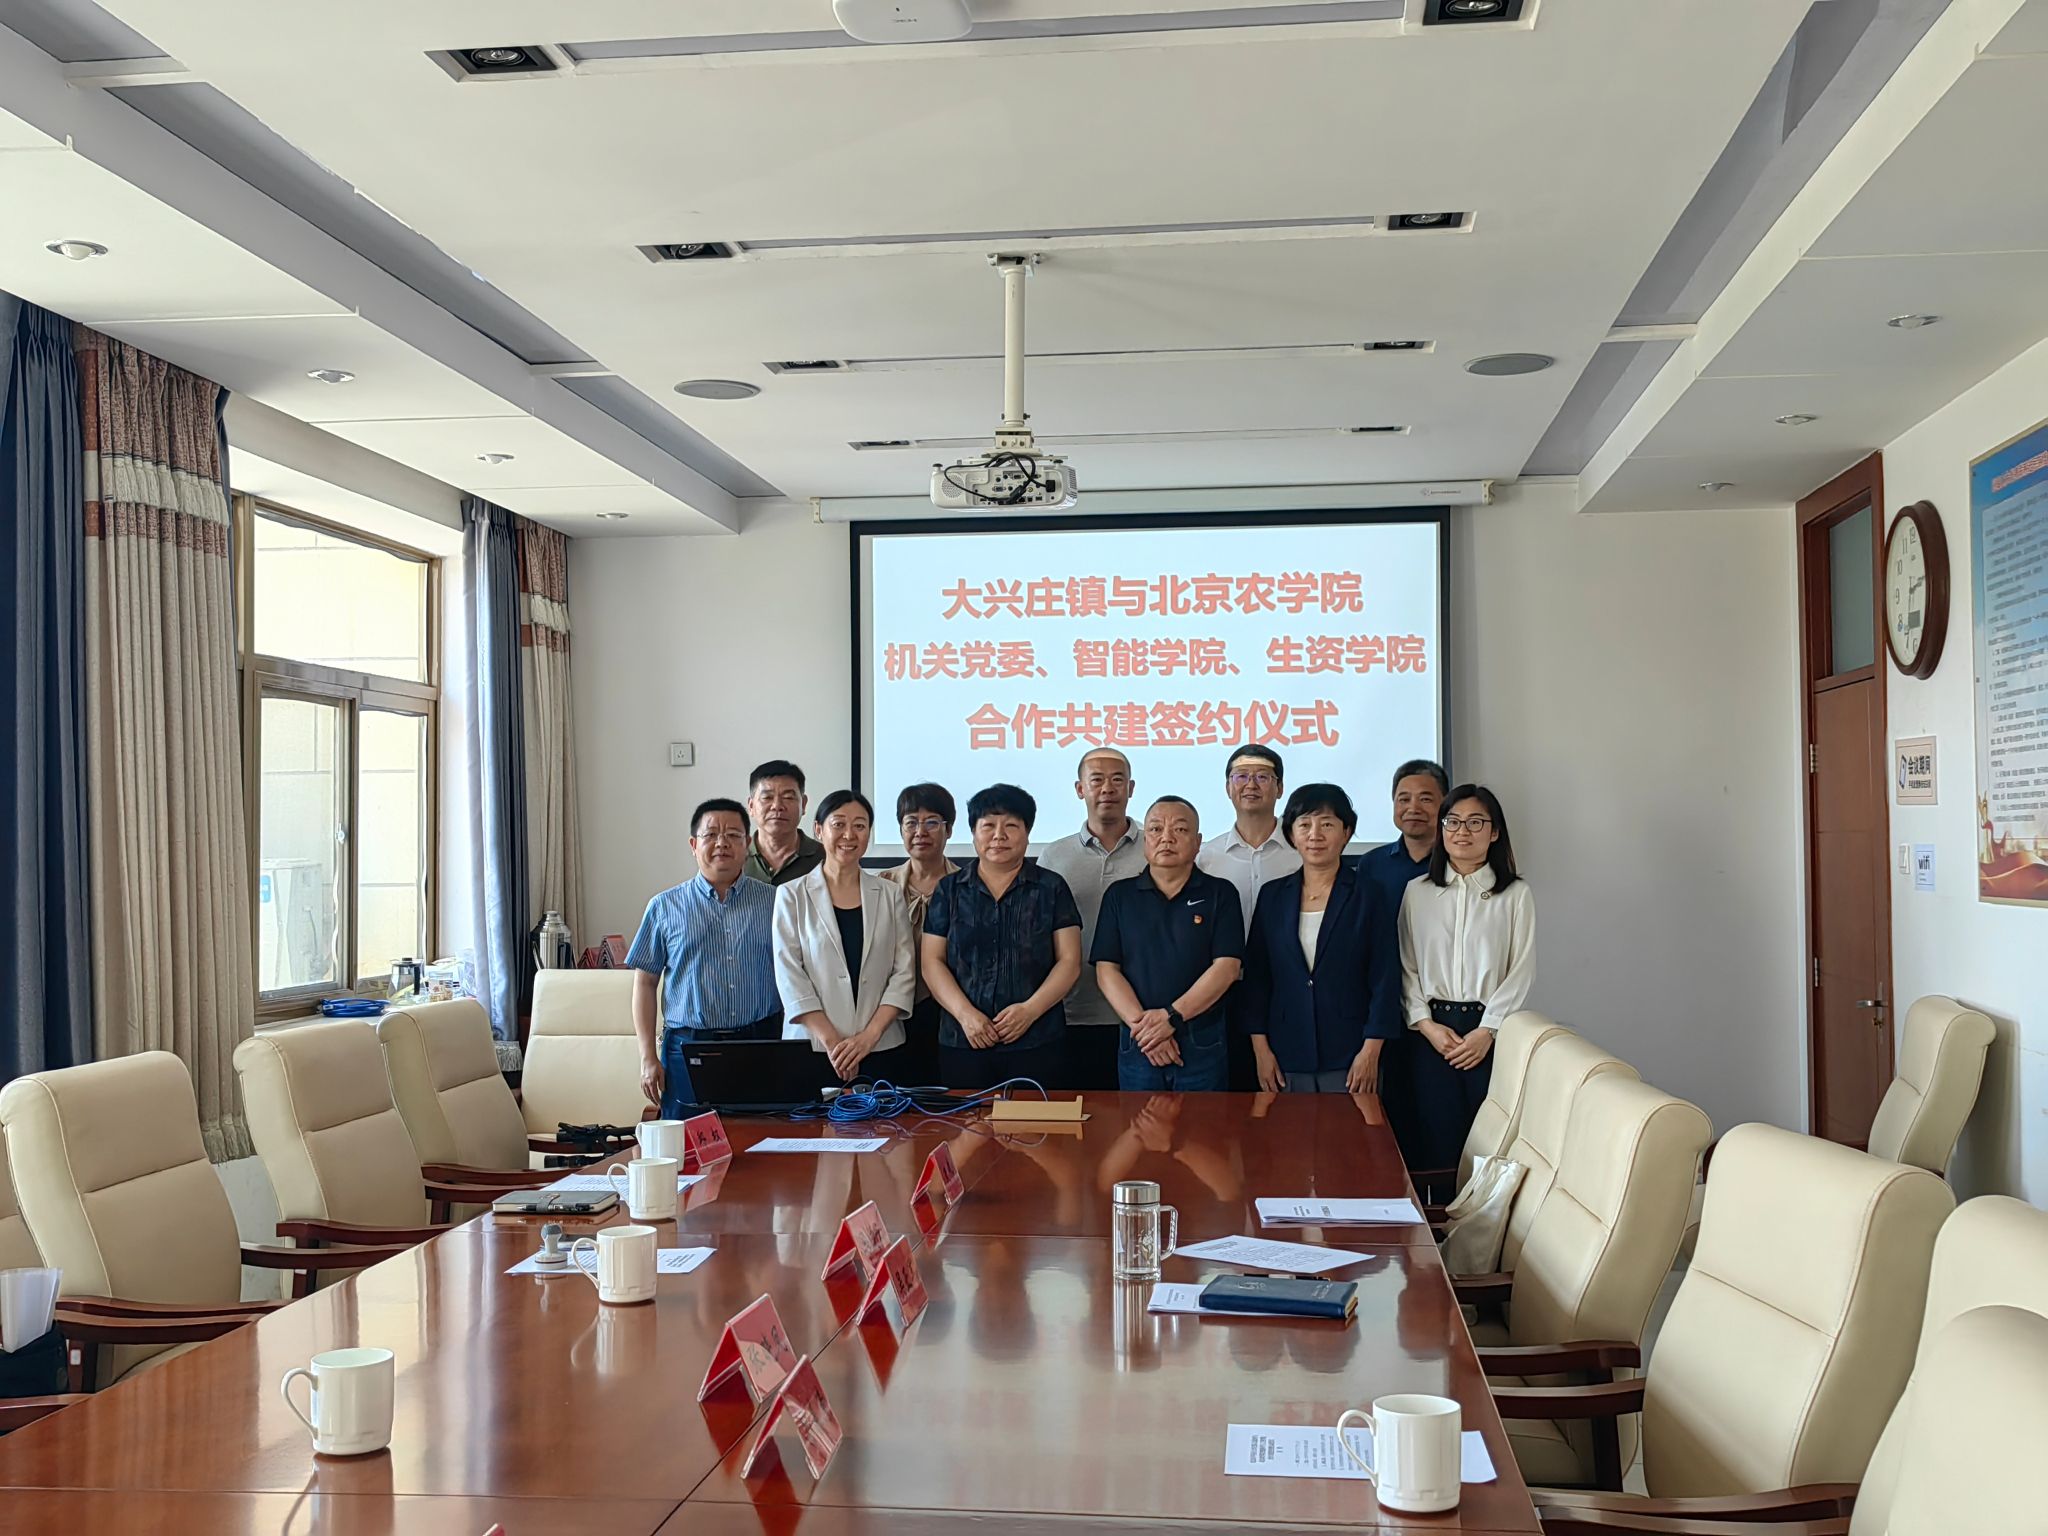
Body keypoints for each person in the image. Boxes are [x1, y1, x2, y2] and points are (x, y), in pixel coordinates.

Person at [1399, 783, 1537, 1170]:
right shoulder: (1417, 892)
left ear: (1494, 833)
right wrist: (1425, 1024)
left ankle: (1481, 1212)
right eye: (1453, 822)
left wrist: (1487, 1030)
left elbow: (1521, 969)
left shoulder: (1515, 894)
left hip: (1489, 1034)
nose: (1462, 831)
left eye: (1476, 822)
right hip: (1431, 1033)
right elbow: (1407, 965)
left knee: (1488, 1142)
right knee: (1433, 1140)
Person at [1239, 783, 1401, 1093]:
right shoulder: (1273, 896)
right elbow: (1258, 979)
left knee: (1351, 1126)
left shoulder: (1370, 894)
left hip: (1351, 1052)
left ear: (1346, 832)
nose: (1315, 835)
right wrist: (1260, 1050)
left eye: (1327, 824)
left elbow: (1385, 977)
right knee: (1287, 1126)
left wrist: (1371, 1052)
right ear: (1291, 834)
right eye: (1304, 825)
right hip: (1285, 1051)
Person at [627, 798, 782, 1118]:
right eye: (711, 835)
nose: (722, 843)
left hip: (760, 1043)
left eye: (733, 835)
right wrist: (647, 1057)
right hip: (688, 1048)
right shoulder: (664, 907)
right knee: (688, 1140)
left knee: (763, 1137)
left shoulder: (776, 903)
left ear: (747, 844)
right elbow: (645, 984)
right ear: (693, 845)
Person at [921, 783, 1082, 1090]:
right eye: (988, 826)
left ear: (1027, 832)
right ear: (973, 832)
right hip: (963, 1039)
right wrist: (965, 1015)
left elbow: (1069, 960)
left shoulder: (1051, 888)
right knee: (967, 1120)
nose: (999, 835)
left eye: (1011, 826)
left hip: (1037, 1039)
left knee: (1036, 1120)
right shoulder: (949, 890)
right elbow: (932, 961)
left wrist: (1030, 1010)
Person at [1092, 796, 1244, 1090]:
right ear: (1144, 840)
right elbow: (1106, 970)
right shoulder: (1119, 896)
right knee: (1139, 1119)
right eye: (1156, 829)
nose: (1166, 838)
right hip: (1138, 1039)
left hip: (1201, 1038)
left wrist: (1170, 1018)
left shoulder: (1220, 893)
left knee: (1204, 1120)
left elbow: (1227, 968)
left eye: (1180, 829)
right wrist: (1147, 1031)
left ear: (1197, 842)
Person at [772, 790, 917, 1084]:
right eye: (838, 824)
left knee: (883, 1115)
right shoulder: (791, 895)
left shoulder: (889, 894)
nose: (849, 835)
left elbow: (904, 972)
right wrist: (834, 1043)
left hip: (881, 1046)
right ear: (818, 830)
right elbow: (790, 975)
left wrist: (868, 1038)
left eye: (859, 826)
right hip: (813, 1046)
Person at [1033, 747, 1145, 1089]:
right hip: (1071, 1011)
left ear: (1131, 788)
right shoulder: (1055, 856)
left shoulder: (1156, 848)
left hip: (1141, 1015)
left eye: (1117, 780)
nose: (1107, 788)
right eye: (1096, 780)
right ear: (1080, 789)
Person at [1197, 745, 1302, 1089]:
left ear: (1280, 788)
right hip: (1220, 992)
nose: (1251, 785)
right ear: (1228, 787)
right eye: (1241, 776)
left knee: (1285, 1096)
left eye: (1262, 777)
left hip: (1288, 990)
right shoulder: (1205, 857)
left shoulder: (1303, 853)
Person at [1357, 758, 1447, 1161]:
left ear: (1444, 804)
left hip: (1439, 1009)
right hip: (1383, 1006)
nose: (1413, 808)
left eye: (1426, 798)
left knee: (1438, 1117)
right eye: (1403, 798)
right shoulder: (1372, 865)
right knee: (1388, 1114)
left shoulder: (1457, 862)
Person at [878, 781, 961, 1085]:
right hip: (890, 1009)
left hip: (951, 1010)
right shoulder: (881, 885)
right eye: (911, 822)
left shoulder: (967, 885)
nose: (920, 832)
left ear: (949, 830)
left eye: (932, 822)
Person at [743, 760, 823, 886]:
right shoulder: (735, 856)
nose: (777, 806)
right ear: (751, 806)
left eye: (788, 797)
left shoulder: (825, 859)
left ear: (803, 804)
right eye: (767, 797)